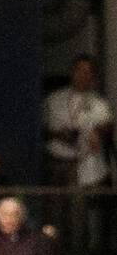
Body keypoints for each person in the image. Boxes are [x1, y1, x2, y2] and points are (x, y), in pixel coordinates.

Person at [43, 56, 113, 189]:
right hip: (55, 160)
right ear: (72, 72)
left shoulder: (99, 103)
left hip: (82, 162)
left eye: (88, 72)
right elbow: (41, 129)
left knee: (78, 205)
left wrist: (98, 133)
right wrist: (58, 135)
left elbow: (107, 125)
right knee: (52, 203)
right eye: (79, 71)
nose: (83, 76)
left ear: (93, 76)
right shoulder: (54, 99)